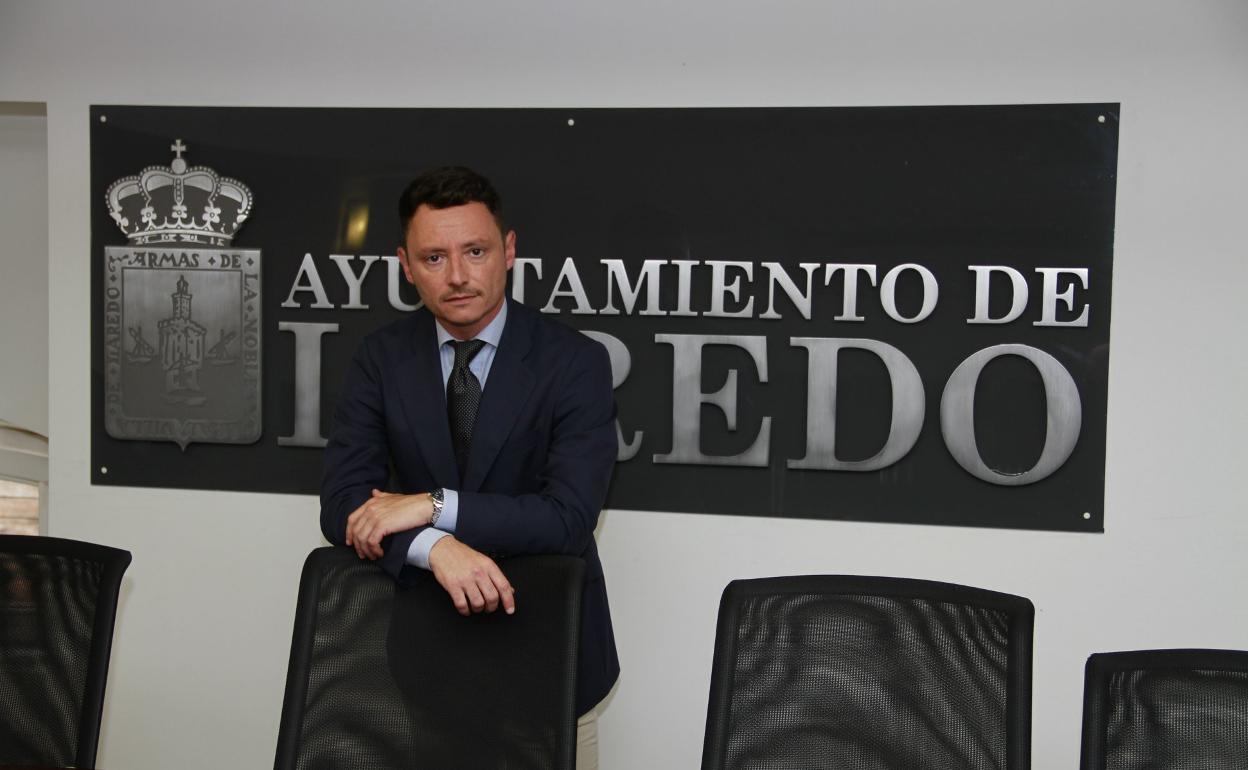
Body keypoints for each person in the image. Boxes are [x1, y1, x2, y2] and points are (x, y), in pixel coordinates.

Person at [320, 166, 619, 769]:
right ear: (406, 266)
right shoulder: (380, 358)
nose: (457, 275)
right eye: (434, 258)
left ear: (508, 251)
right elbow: (344, 504)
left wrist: (432, 505)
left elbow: (567, 518)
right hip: (428, 659)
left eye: (475, 252)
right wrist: (434, 546)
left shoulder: (575, 361)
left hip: (551, 659)